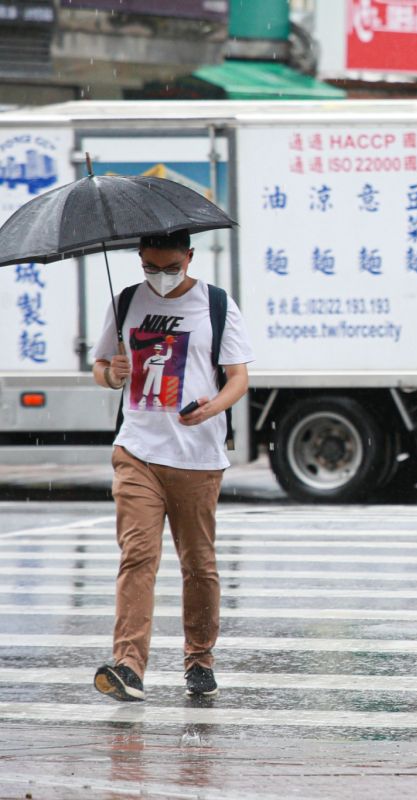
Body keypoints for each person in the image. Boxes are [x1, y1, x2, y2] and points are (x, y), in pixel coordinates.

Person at [90, 230, 254, 702]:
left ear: (189, 257)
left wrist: (212, 407)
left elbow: (239, 377)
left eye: (170, 268)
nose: (160, 278)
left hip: (198, 457)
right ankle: (128, 666)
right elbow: (100, 366)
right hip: (138, 449)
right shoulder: (125, 303)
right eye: (150, 268)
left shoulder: (216, 304)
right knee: (138, 556)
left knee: (198, 564)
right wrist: (110, 374)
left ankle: (200, 659)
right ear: (139, 259)